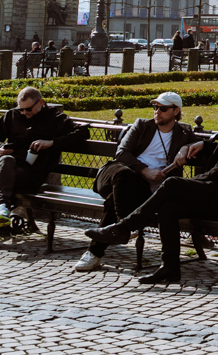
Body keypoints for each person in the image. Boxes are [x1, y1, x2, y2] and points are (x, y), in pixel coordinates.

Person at [86, 97, 218, 284]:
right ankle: (170, 268)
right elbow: (216, 149)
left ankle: (124, 227)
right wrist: (199, 145)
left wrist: (191, 182)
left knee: (172, 184)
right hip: (216, 195)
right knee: (168, 207)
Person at [73, 92, 199, 271]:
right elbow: (122, 153)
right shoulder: (142, 125)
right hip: (116, 173)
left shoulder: (184, 132)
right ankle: (124, 226)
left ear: (176, 111)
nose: (157, 112)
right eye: (155, 107)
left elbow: (202, 144)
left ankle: (96, 252)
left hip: (140, 189)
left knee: (113, 201)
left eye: (163, 108)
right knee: (125, 175)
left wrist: (186, 147)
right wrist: (145, 171)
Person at [0, 87, 87, 251]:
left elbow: (83, 132)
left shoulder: (55, 118)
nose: (24, 112)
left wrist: (52, 143)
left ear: (40, 103)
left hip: (32, 173)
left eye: (28, 109)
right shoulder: (13, 115)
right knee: (5, 162)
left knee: (1, 179)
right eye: (21, 109)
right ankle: (1, 209)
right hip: (8, 164)